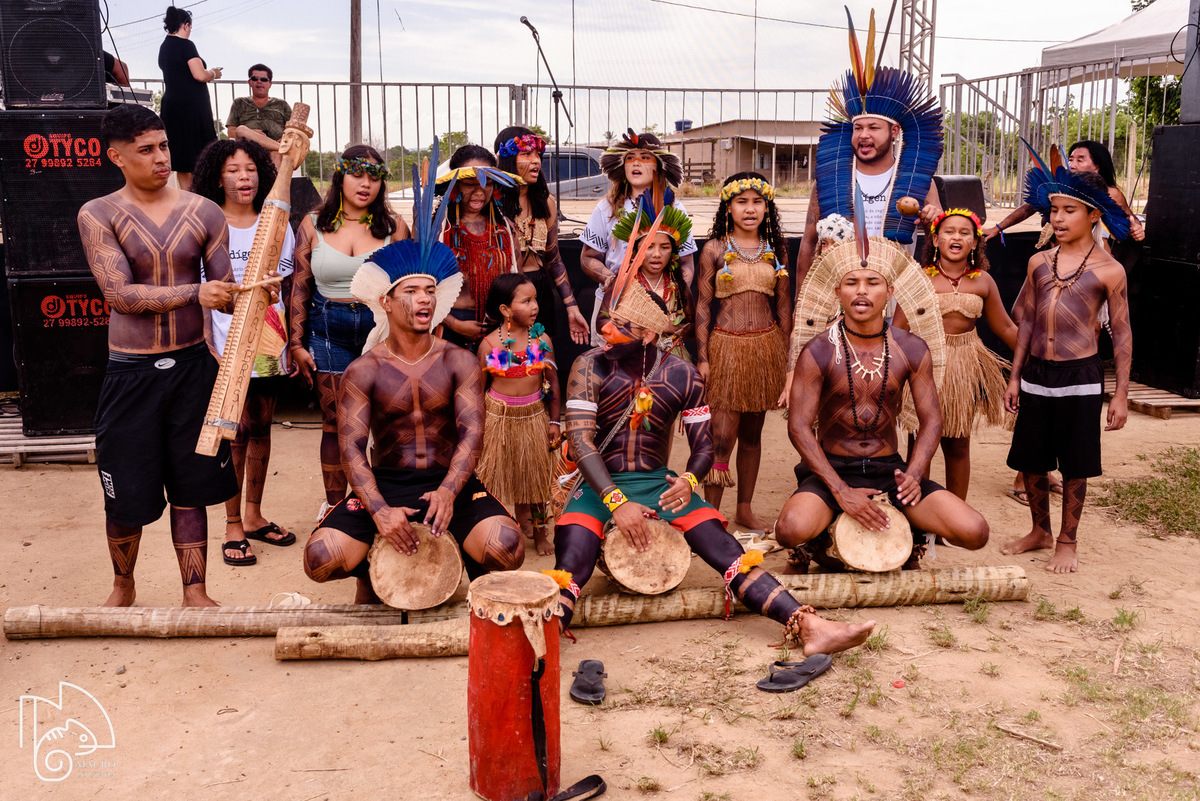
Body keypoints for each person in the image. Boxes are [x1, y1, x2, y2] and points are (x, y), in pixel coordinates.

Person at [550, 238, 875, 657]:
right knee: (573, 556)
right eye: (609, 320)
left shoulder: (683, 375)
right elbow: (580, 441)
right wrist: (615, 502)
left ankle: (809, 626)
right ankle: (543, 644)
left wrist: (688, 480)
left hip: (658, 483)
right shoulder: (588, 366)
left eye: (621, 324)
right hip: (599, 487)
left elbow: (705, 449)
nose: (606, 331)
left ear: (650, 332)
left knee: (727, 550)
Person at [303, 156, 524, 601]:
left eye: (430, 291)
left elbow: (472, 436)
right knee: (320, 559)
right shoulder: (364, 369)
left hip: (452, 482)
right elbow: (349, 447)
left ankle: (462, 561)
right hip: (387, 483)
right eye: (411, 291)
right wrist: (380, 510)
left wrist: (447, 491)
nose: (424, 300)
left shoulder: (457, 362)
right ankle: (372, 566)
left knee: (508, 549)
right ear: (385, 302)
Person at [77, 104, 245, 607]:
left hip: (194, 365)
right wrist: (198, 293)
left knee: (193, 484)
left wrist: (254, 292)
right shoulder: (98, 214)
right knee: (126, 489)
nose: (160, 158)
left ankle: (196, 592)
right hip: (132, 372)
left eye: (164, 146)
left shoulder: (204, 211)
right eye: (145, 150)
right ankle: (122, 586)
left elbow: (227, 290)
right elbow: (120, 295)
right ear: (117, 157)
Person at [776, 233, 990, 567]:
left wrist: (915, 474)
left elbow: (932, 420)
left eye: (872, 282)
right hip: (833, 470)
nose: (861, 291)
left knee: (975, 531)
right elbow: (799, 428)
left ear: (890, 293)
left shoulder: (912, 348)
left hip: (890, 471)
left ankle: (911, 534)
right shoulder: (818, 350)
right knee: (790, 529)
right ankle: (818, 539)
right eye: (851, 282)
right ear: (837, 293)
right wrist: (840, 491)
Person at [1001, 161, 1133, 574]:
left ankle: (1067, 540)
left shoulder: (1110, 271)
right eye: (1054, 209)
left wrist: (1122, 394)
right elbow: (1026, 320)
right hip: (1037, 373)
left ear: (1094, 214)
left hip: (1080, 377)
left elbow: (1123, 336)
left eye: (1069, 210)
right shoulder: (1039, 263)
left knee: (1076, 464)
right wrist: (1015, 375)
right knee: (1031, 458)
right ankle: (1039, 529)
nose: (1058, 218)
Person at [289, 145, 410, 516]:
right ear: (341, 176)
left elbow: (409, 286)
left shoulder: (395, 227)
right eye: (358, 174)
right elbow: (299, 285)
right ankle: (336, 507)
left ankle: (382, 503)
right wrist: (295, 341)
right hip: (328, 329)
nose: (366, 184)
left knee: (386, 420)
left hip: (382, 329)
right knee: (336, 423)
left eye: (375, 177)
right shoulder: (312, 223)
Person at [193, 138, 297, 565]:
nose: (244, 177)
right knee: (231, 434)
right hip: (223, 340)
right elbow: (199, 291)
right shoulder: (205, 221)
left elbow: (280, 286)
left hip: (269, 340)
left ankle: (254, 515)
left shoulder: (277, 222)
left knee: (261, 428)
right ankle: (232, 523)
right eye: (234, 169)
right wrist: (207, 340)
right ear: (218, 176)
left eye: (251, 169)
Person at [795, 9, 943, 287]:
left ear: (895, 131)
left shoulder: (920, 183)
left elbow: (942, 243)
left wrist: (934, 219)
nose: (864, 135)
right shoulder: (828, 183)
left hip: (898, 299)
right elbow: (808, 243)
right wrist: (801, 307)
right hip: (843, 299)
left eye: (873, 128)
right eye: (858, 128)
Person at [892, 209, 1018, 500]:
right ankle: (920, 516)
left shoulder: (983, 281)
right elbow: (898, 331)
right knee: (920, 443)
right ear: (935, 239)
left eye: (965, 233)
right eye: (949, 231)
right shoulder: (920, 279)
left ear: (974, 243)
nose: (957, 237)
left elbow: (1007, 328)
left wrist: (1037, 353)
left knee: (958, 443)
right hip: (925, 367)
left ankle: (955, 513)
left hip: (964, 366)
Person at [695, 174, 790, 529]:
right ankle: (710, 513)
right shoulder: (715, 250)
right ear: (728, 206)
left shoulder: (775, 249)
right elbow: (703, 306)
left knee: (752, 434)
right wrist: (703, 357)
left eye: (757, 202)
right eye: (741, 202)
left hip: (765, 348)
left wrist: (785, 358)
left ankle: (745, 508)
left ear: (767, 207)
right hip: (725, 348)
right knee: (720, 435)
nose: (749, 209)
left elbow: (784, 307)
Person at [580, 129, 697, 346]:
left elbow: (687, 261)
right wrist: (611, 280)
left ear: (658, 165)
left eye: (645, 158)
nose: (636, 163)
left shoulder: (675, 208)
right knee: (613, 371)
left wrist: (675, 291)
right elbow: (588, 257)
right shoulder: (606, 207)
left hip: (663, 307)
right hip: (614, 307)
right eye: (630, 158)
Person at [476, 273, 560, 555]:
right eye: (526, 301)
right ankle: (502, 529)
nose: (534, 305)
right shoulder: (490, 345)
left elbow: (554, 384)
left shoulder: (542, 340)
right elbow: (478, 390)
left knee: (536, 480)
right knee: (499, 478)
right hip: (497, 419)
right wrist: (478, 429)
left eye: (535, 299)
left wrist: (554, 421)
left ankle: (540, 530)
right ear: (505, 309)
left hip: (534, 415)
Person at [493, 126, 589, 345]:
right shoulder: (493, 204)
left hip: (538, 290)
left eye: (538, 154)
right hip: (503, 291)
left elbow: (554, 259)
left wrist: (571, 307)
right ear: (507, 159)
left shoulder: (546, 203)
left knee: (539, 358)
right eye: (526, 154)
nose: (536, 161)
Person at [437, 145, 521, 352]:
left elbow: (515, 284)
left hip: (498, 330)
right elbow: (418, 289)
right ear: (454, 184)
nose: (479, 191)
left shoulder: (506, 230)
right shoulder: (437, 229)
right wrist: (454, 324)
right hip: (448, 328)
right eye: (469, 183)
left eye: (488, 182)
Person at [983, 140, 1146, 243]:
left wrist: (1137, 228)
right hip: (1055, 254)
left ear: (1097, 166)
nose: (1072, 164)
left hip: (1093, 260)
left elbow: (1129, 218)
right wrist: (997, 228)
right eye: (1070, 159)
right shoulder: (1059, 189)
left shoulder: (1112, 194)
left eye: (1080, 160)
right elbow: (1027, 208)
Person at [610, 198, 694, 361]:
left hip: (671, 358)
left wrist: (673, 327)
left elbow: (693, 327)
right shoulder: (623, 284)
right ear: (635, 251)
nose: (657, 254)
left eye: (665, 247)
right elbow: (603, 321)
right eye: (649, 246)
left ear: (673, 253)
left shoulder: (678, 286)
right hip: (631, 357)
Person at [157, 6, 220, 192]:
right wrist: (214, 73)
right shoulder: (186, 45)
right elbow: (199, 75)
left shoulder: (164, 46)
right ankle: (203, 199)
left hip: (172, 106)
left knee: (183, 159)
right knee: (201, 155)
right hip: (192, 108)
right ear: (185, 25)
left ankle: (187, 197)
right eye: (190, 26)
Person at [225, 64, 292, 165]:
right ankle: (282, 148)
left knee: (276, 155)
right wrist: (252, 133)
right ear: (250, 82)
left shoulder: (281, 104)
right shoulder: (239, 102)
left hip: (275, 148)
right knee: (241, 129)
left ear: (270, 83)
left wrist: (285, 138)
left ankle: (279, 148)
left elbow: (293, 130)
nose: (259, 81)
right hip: (248, 146)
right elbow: (231, 132)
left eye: (264, 79)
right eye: (255, 78)